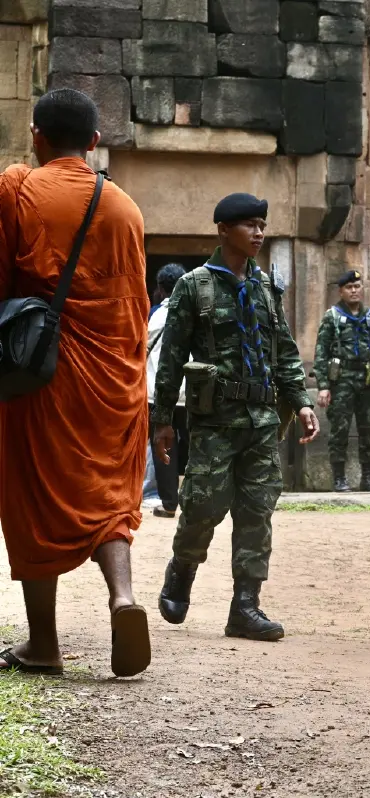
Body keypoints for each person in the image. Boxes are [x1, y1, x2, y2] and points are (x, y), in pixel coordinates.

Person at [0, 88, 152, 677]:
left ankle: (44, 643)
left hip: (38, 374)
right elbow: (135, 309)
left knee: (33, 497)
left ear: (37, 135)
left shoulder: (18, 191)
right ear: (94, 142)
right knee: (108, 500)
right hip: (111, 377)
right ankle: (123, 596)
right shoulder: (125, 208)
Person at [153, 192, 320, 642]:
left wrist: (301, 401)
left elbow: (283, 350)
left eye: (262, 224)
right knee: (203, 506)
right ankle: (182, 569)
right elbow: (171, 358)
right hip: (214, 421)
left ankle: (245, 606)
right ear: (223, 230)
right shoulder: (195, 286)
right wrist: (163, 419)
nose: (259, 233)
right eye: (249, 224)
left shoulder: (266, 286)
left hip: (262, 421)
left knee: (256, 512)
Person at [314, 269, 370, 493]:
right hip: (342, 381)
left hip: (368, 380)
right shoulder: (332, 317)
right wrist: (323, 387)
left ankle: (367, 478)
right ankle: (339, 479)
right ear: (341, 291)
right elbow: (321, 353)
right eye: (349, 287)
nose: (354, 290)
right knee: (340, 430)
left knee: (369, 429)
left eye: (357, 286)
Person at [147, 263, 189, 519]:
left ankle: (170, 502)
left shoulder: (156, 316)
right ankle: (193, 499)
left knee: (163, 444)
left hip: (159, 393)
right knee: (193, 444)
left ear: (161, 288)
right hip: (193, 392)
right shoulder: (196, 312)